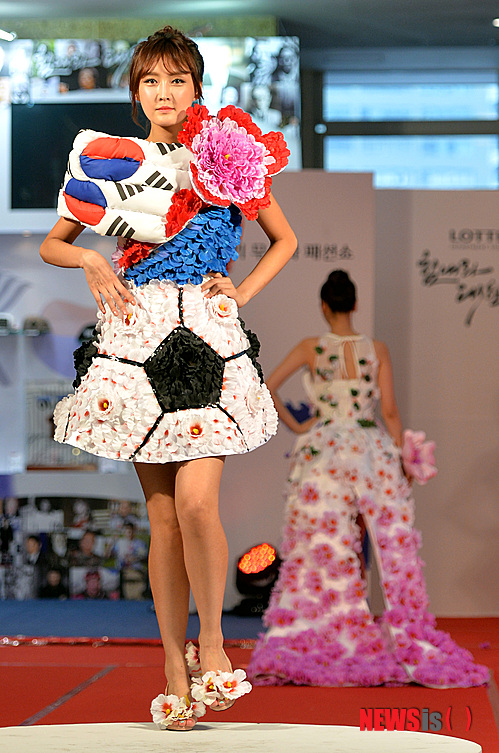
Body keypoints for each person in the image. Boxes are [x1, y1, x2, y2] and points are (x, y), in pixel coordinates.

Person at [39, 26, 296, 731]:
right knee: (161, 518)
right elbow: (55, 244)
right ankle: (173, 668)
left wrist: (241, 293)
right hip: (136, 339)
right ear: (136, 93)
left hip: (209, 339)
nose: (164, 93)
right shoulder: (112, 164)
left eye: (177, 79)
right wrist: (92, 258)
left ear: (197, 88)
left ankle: (211, 643)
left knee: (197, 504)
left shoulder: (230, 158)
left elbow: (285, 240)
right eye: (150, 80)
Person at [247, 270, 489, 689]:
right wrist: (402, 458)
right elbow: (389, 411)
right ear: (354, 304)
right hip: (369, 449)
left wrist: (298, 426)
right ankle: (387, 631)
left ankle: (327, 630)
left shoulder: (310, 347)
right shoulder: (376, 349)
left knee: (322, 543)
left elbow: (267, 384)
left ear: (324, 306)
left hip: (325, 449)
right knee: (386, 544)